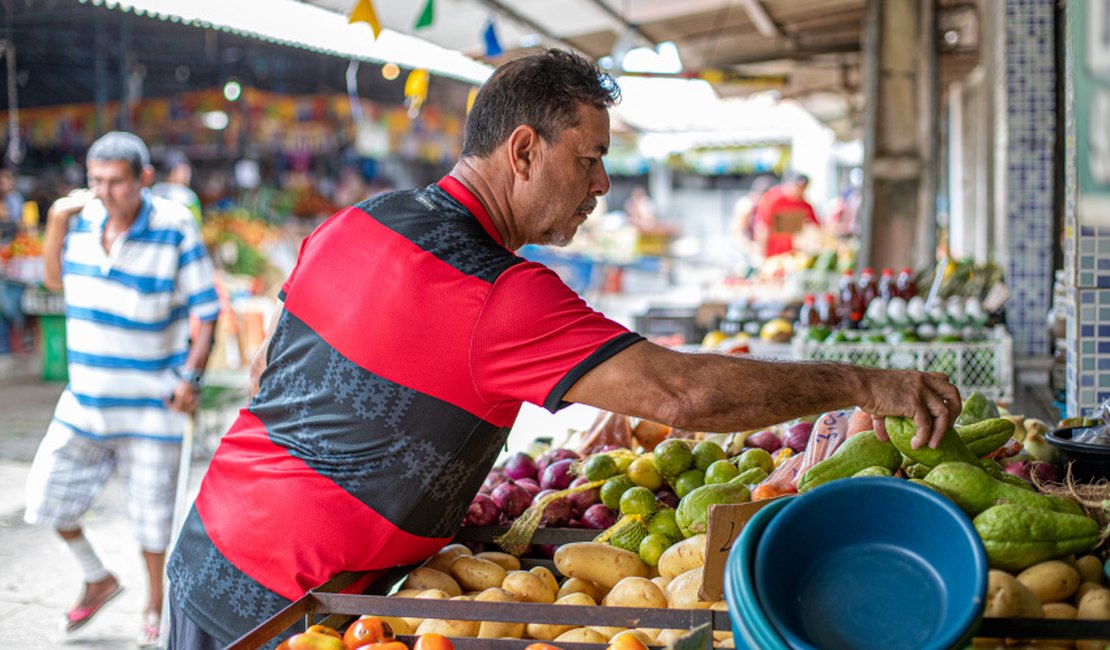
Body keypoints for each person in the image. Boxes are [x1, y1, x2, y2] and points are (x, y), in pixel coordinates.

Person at [166, 50, 960, 648]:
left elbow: (285, 372)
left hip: (213, 541)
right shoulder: (501, 294)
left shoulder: (357, 220)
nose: (603, 184)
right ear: (522, 152)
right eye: (589, 158)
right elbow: (684, 398)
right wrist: (863, 381)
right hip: (291, 595)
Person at [23, 131, 219, 647]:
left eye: (115, 182)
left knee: (153, 521)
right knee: (47, 498)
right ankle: (98, 577)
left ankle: (153, 602)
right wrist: (57, 221)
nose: (104, 192)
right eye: (95, 181)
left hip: (154, 405)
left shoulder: (175, 227)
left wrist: (191, 377)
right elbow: (51, 281)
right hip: (86, 401)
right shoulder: (79, 221)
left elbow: (206, 309)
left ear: (143, 180)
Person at [752, 173, 820, 258]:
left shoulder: (804, 205)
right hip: (771, 251)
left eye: (803, 187)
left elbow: (817, 226)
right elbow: (762, 226)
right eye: (798, 186)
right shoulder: (774, 197)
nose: (800, 190)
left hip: (790, 252)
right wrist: (761, 251)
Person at [150, 149, 203, 226]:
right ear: (169, 173)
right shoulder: (155, 193)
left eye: (187, 171)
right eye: (181, 171)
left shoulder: (190, 196)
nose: (186, 175)